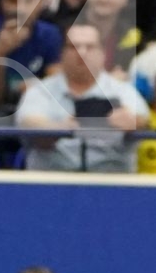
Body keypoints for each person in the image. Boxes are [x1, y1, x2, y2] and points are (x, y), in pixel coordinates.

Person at [14, 23, 148, 173]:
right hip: (53, 182)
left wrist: (131, 121)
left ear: (102, 54)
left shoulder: (123, 90)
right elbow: (30, 124)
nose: (81, 53)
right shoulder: (39, 91)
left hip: (112, 182)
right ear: (62, 54)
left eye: (90, 47)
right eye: (73, 47)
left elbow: (143, 119)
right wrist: (67, 127)